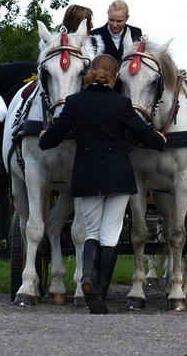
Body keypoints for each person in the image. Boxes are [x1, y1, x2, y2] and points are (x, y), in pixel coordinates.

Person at [38, 54, 166, 314]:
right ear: (115, 77)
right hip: (118, 176)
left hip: (87, 177)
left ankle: (87, 276)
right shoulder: (122, 104)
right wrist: (160, 140)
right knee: (111, 234)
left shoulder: (74, 103)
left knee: (92, 232)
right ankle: (100, 292)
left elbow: (51, 138)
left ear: (88, 74)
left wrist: (43, 137)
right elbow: (142, 133)